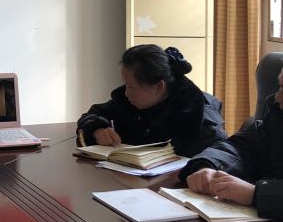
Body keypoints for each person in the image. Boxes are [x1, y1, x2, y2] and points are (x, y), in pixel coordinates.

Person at [76, 44, 226, 157]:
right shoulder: (129, 100)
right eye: (126, 84)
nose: (126, 93)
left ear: (159, 86)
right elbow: (92, 115)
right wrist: (98, 130)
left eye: (131, 86)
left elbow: (212, 164)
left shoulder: (199, 119)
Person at [179, 65, 283, 219]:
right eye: (280, 86)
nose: (277, 97)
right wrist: (208, 165)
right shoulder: (277, 115)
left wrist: (255, 194)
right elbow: (241, 147)